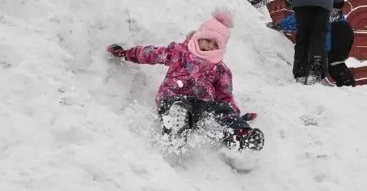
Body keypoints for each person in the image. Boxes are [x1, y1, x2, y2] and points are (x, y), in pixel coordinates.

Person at [106, 10, 262, 151]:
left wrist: (233, 115)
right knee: (177, 105)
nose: (210, 46)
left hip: (202, 106)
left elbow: (225, 96)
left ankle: (241, 136)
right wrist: (126, 54)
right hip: (174, 96)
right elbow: (151, 54)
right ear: (198, 37)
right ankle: (176, 128)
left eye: (215, 45)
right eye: (207, 40)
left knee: (222, 109)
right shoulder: (179, 52)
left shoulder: (221, 69)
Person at [269, 12, 356, 86]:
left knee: (328, 61)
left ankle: (347, 86)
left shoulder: (312, 5)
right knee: (335, 63)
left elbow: (300, 18)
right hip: (346, 30)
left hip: (335, 32)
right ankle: (350, 88)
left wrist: (281, 25)